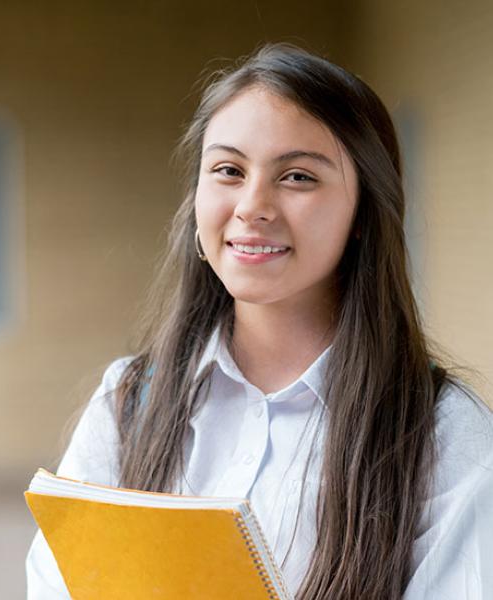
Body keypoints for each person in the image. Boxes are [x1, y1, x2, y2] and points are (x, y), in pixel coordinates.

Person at [25, 43, 493, 600]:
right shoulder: (127, 403)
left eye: (297, 177)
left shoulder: (443, 433)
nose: (252, 205)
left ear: (365, 211)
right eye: (228, 170)